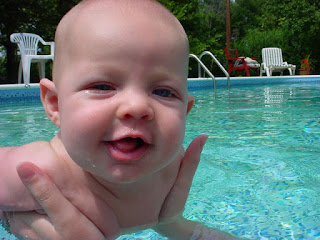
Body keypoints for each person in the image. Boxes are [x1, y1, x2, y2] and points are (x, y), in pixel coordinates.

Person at [0, 0, 243, 239]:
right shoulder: (38, 171)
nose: (137, 106)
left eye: (163, 92)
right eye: (103, 86)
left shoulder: (172, 166)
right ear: (55, 104)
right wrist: (11, 222)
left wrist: (171, 223)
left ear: (185, 111)